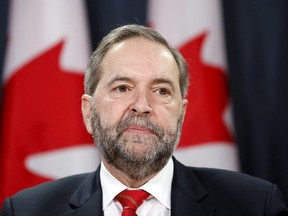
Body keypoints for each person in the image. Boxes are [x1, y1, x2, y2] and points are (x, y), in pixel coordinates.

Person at [1, 24, 287, 216]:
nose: (142, 105)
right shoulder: (26, 211)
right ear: (88, 113)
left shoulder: (255, 206)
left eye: (161, 90)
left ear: (182, 114)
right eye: (122, 88)